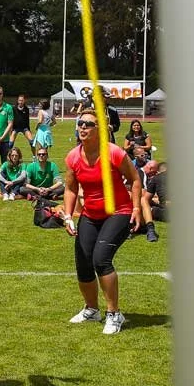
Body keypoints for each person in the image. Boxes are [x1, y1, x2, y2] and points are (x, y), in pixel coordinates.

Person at [61, 108, 142, 335]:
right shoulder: (73, 157)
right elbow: (70, 188)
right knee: (83, 261)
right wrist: (68, 215)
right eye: (80, 123)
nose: (83, 127)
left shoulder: (114, 153)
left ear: (101, 130)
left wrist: (136, 208)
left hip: (119, 211)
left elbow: (135, 180)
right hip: (91, 214)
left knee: (101, 259)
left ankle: (114, 314)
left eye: (88, 124)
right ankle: (91, 309)